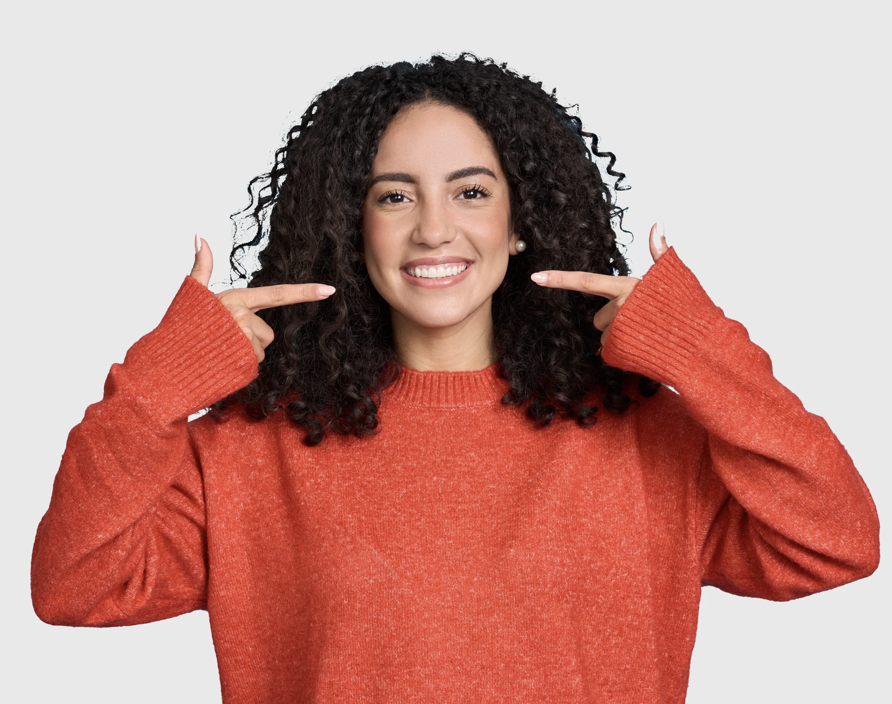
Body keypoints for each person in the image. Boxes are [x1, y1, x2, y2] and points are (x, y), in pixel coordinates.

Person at [30, 54, 879, 703]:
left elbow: (837, 540)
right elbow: (74, 584)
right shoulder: (251, 450)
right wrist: (157, 386)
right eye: (394, 197)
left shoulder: (648, 439)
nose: (435, 230)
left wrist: (700, 352)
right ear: (352, 227)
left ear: (520, 221)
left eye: (471, 193)